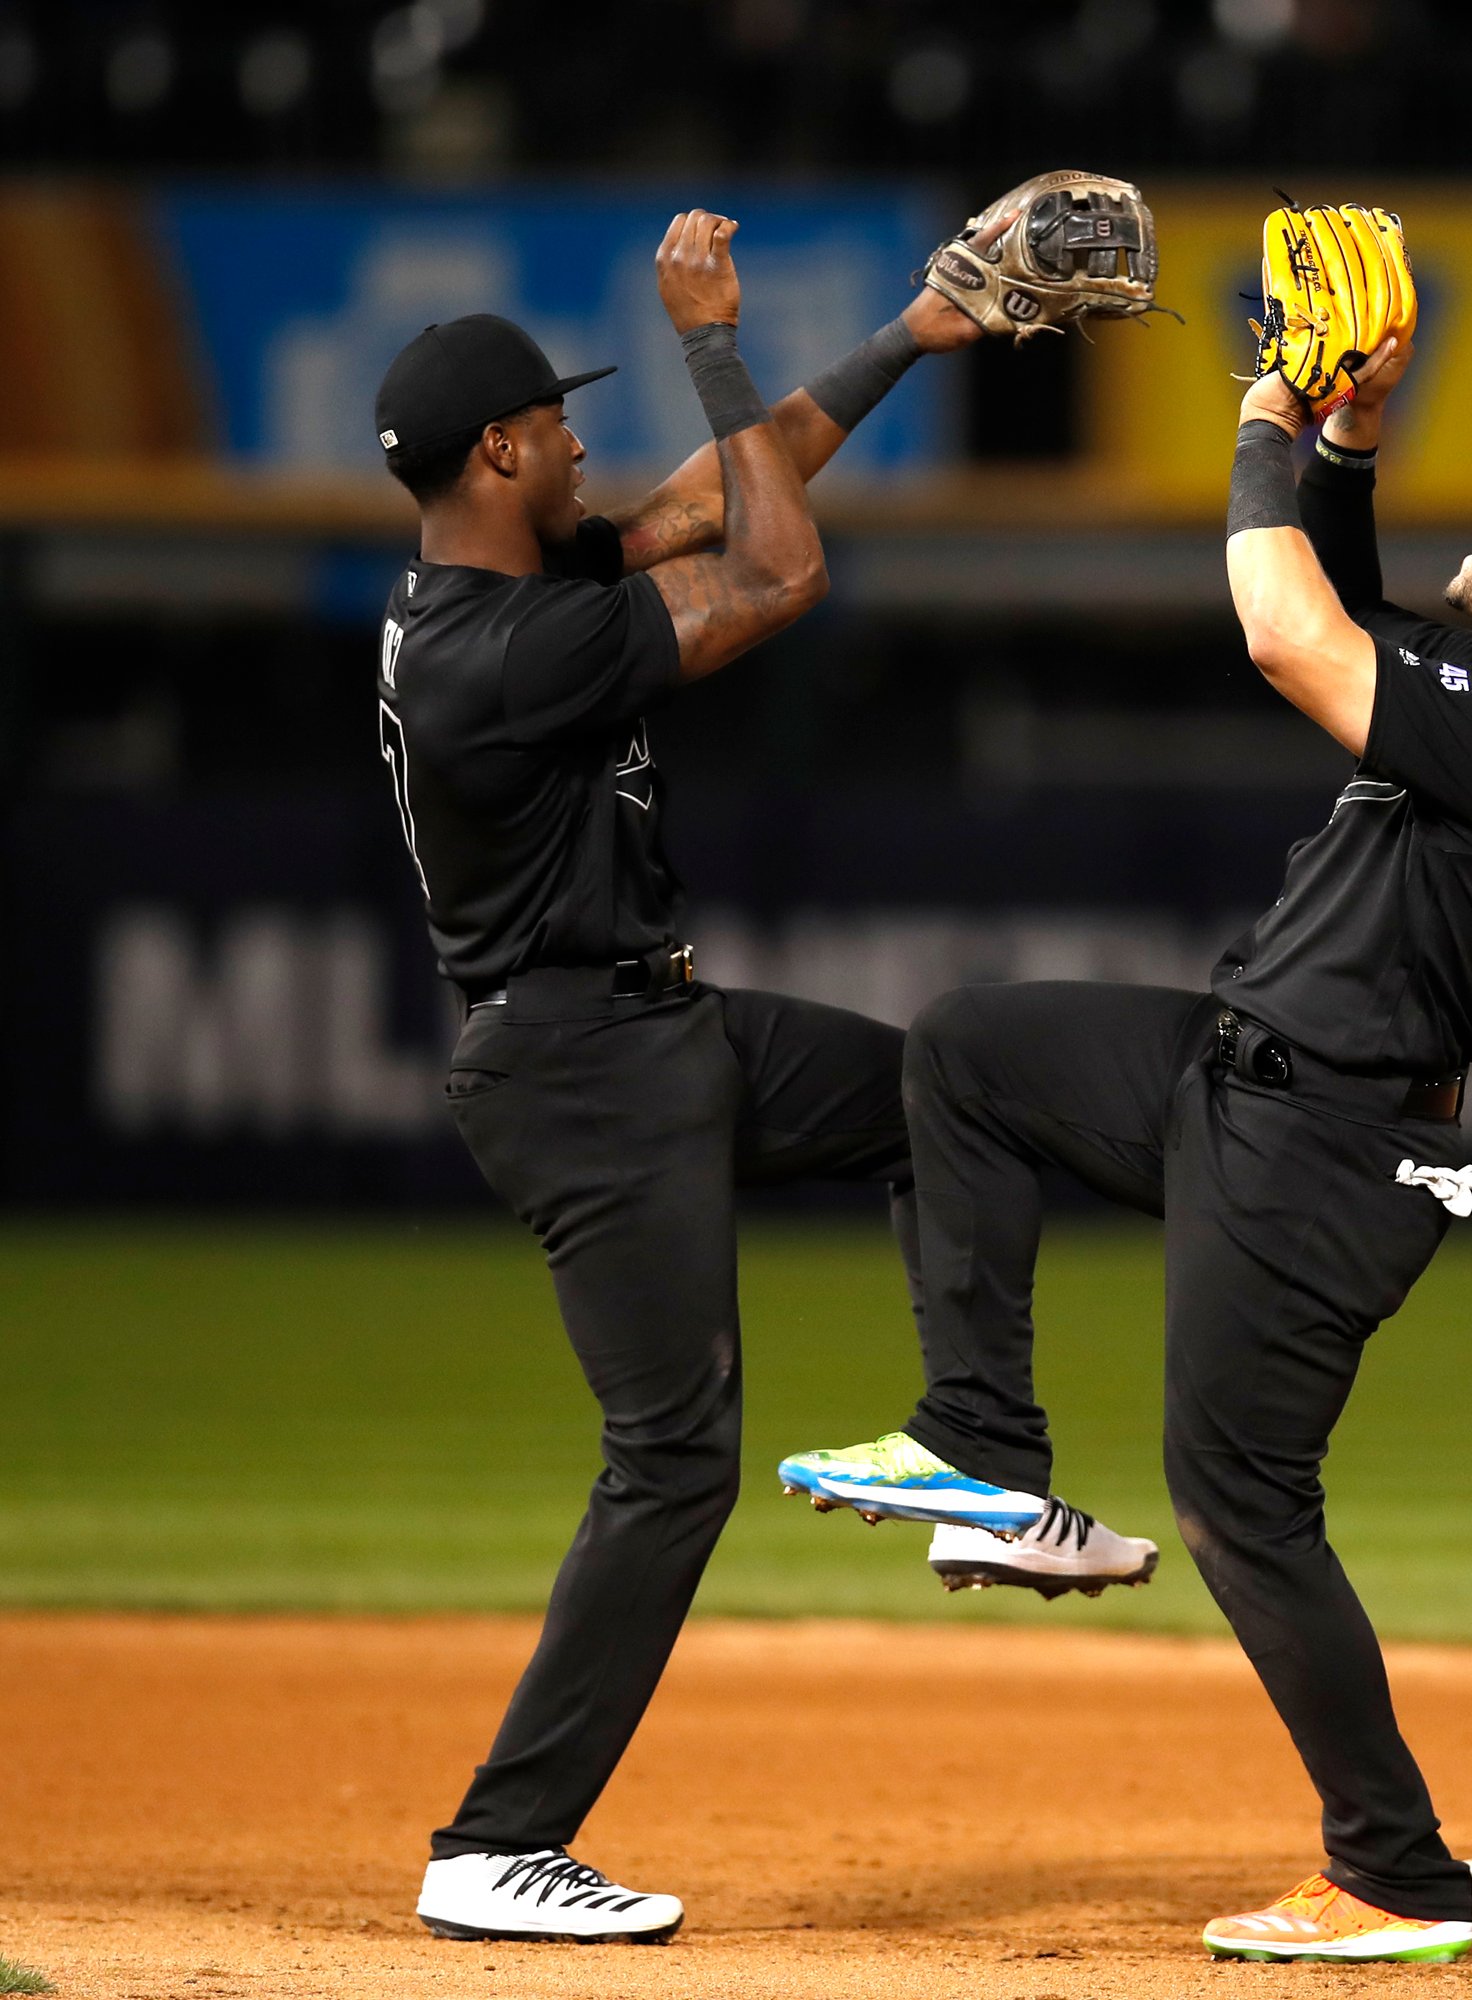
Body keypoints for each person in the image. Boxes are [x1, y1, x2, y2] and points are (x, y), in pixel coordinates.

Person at [780, 329, 1472, 1963]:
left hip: (1323, 1147)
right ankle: (980, 1445)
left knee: (1245, 1504)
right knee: (974, 1051)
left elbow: (1291, 633)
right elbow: (1352, 609)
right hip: (1238, 1083)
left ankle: (1391, 1874)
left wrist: (1268, 416)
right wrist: (1348, 441)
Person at [374, 208, 1151, 1948]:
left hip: (654, 1029)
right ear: (502, 451)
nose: (584, 437)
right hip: (581, 1063)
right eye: (560, 421)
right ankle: (497, 1843)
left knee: (955, 1096)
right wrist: (707, 340)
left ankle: (972, 1458)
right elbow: (782, 571)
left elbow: (738, 486)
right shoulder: (496, 655)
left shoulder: (514, 587)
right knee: (671, 1461)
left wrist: (911, 332)